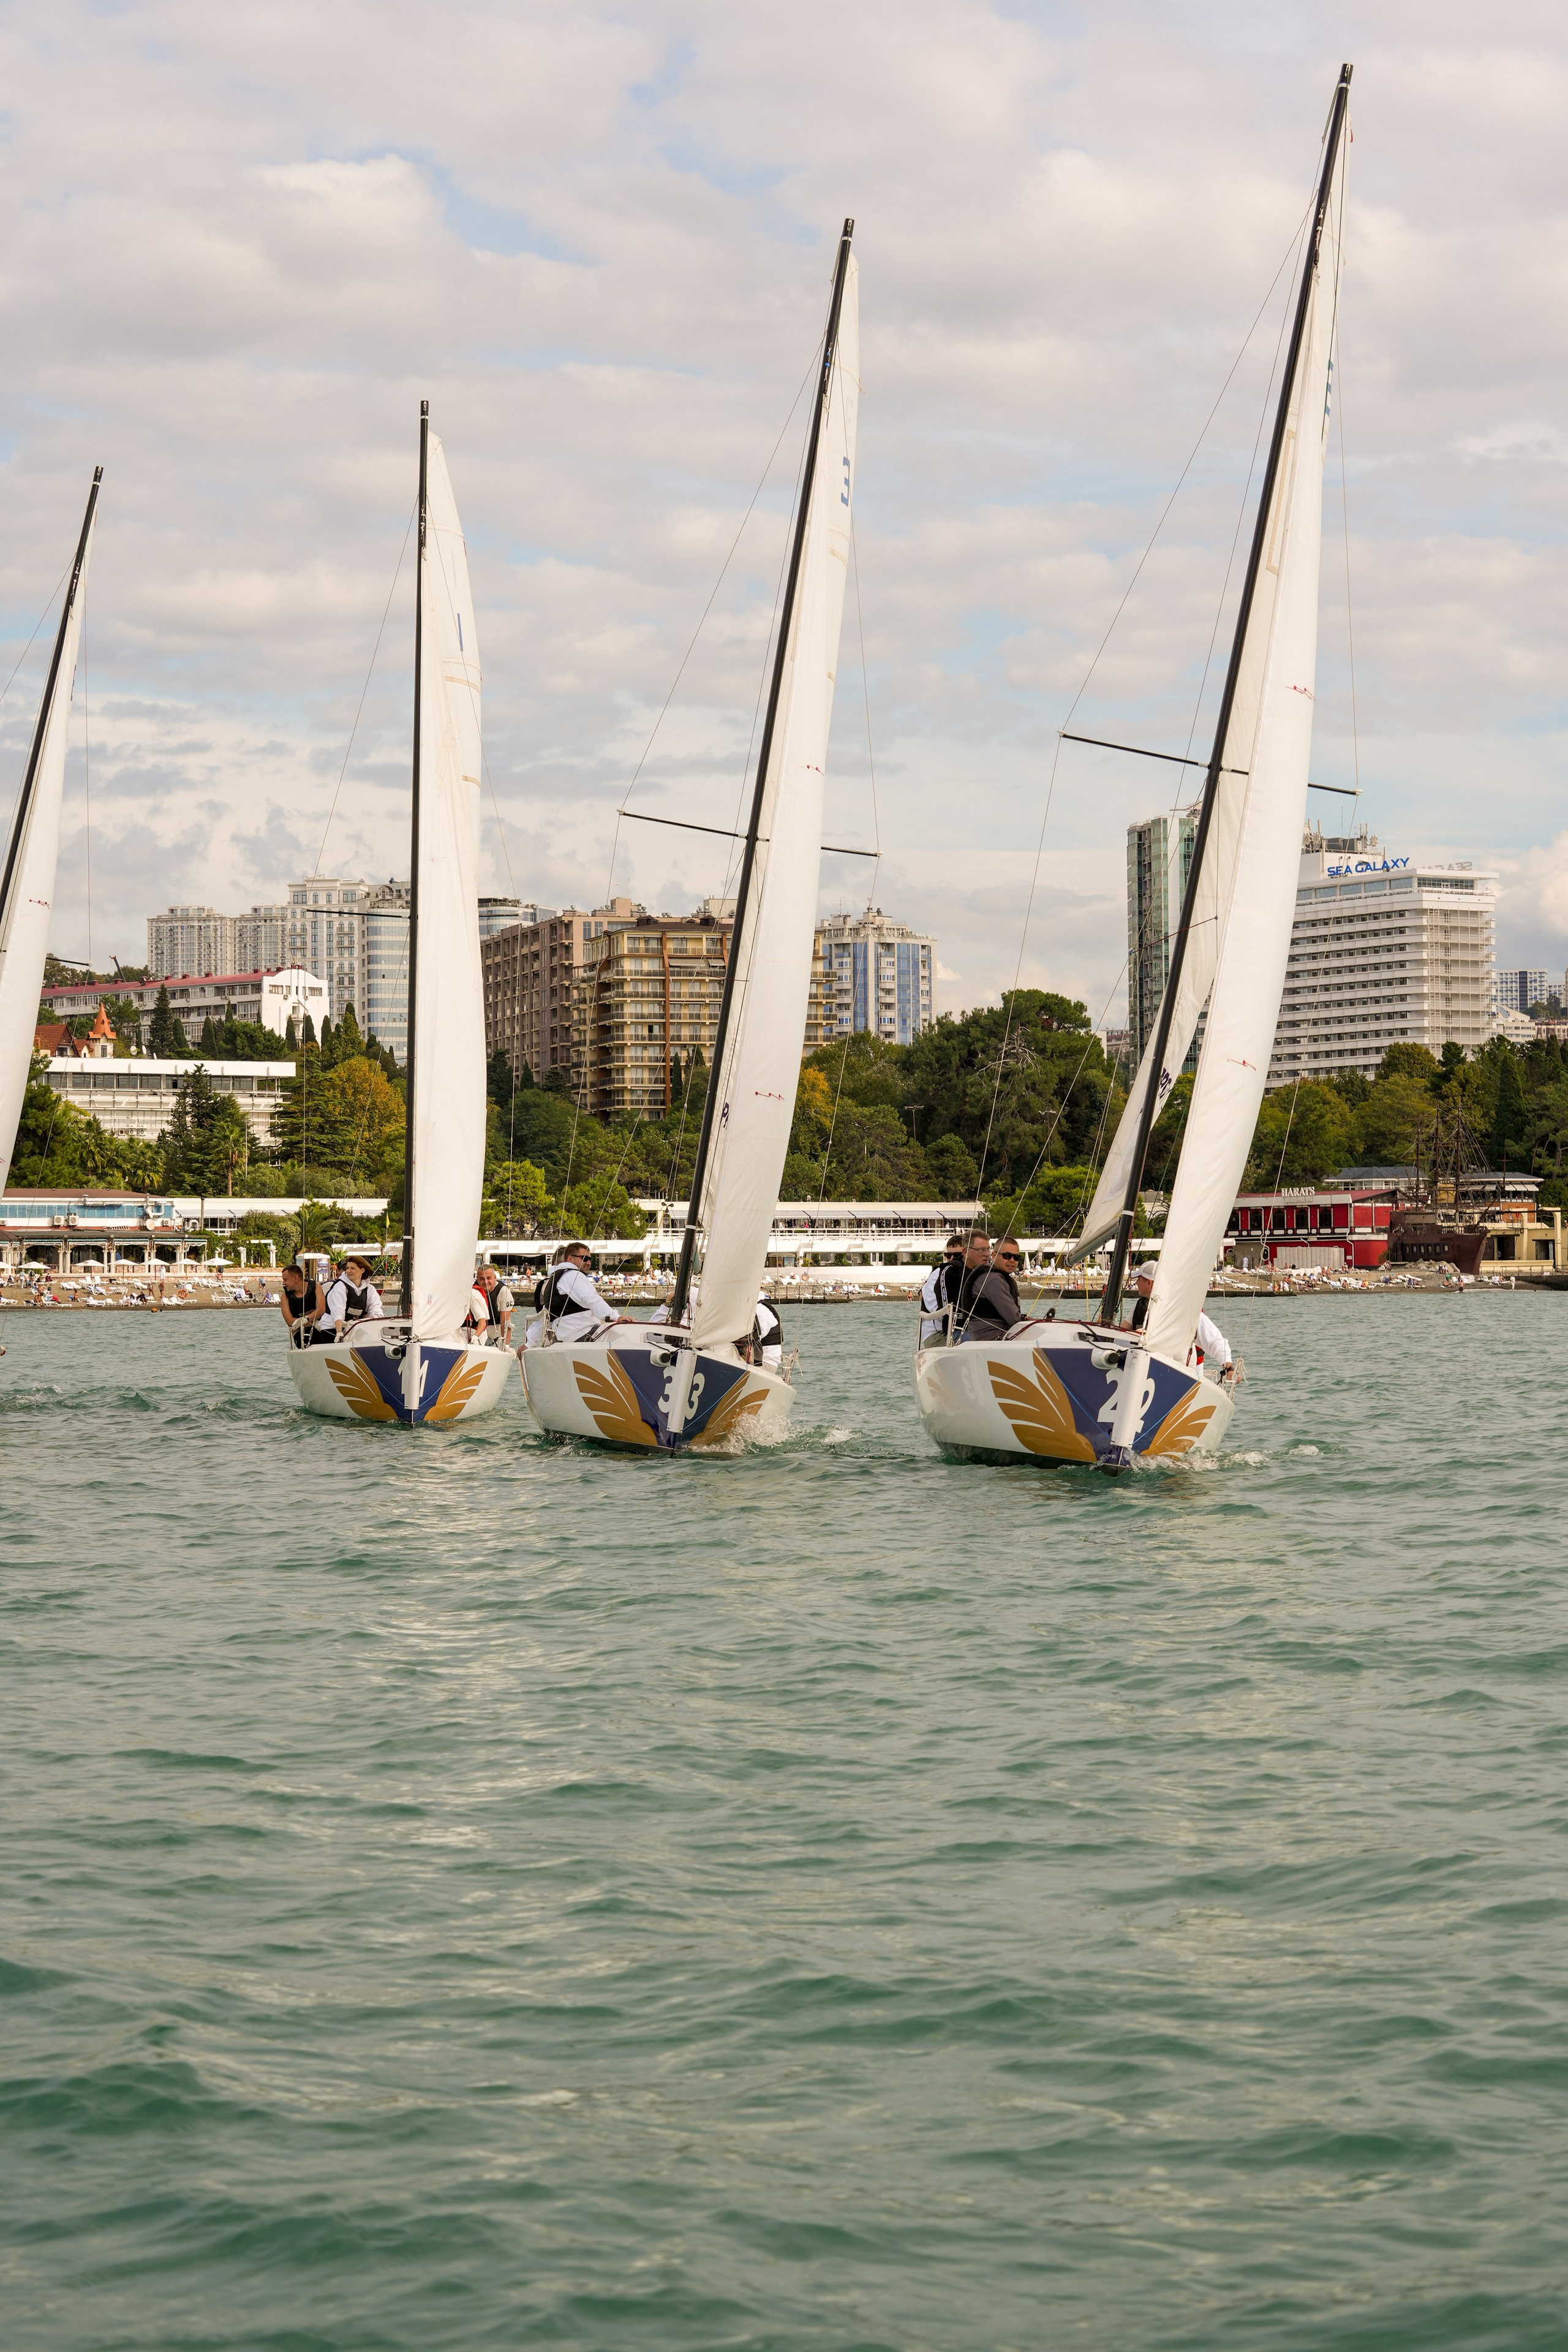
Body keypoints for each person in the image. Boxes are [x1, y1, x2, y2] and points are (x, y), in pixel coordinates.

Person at [533, 1242, 623, 1344]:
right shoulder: (573, 1275)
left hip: (569, 1339)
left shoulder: (554, 1280)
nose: (588, 1262)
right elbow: (591, 1298)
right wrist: (616, 1317)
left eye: (590, 1259)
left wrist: (529, 1343)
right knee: (626, 1337)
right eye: (584, 1258)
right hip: (586, 1334)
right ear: (571, 1259)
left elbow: (545, 1317)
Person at [955, 1230, 1022, 1343]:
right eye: (1007, 1256)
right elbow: (1014, 1319)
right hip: (993, 1341)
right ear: (994, 1255)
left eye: (1016, 1257)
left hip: (992, 1339)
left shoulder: (997, 1277)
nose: (1012, 1260)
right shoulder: (993, 1280)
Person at [319, 1253, 383, 1344]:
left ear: (362, 1270)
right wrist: (339, 1333)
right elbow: (338, 1311)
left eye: (352, 1268)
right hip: (332, 1329)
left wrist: (367, 1319)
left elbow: (377, 1312)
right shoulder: (340, 1287)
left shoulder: (370, 1289)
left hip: (355, 1330)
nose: (348, 1271)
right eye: (347, 1268)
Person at [918, 1234, 966, 1346]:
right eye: (948, 1255)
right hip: (937, 1334)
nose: (952, 1259)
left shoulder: (966, 1273)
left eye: (957, 1255)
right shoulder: (938, 1274)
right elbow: (935, 1307)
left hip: (957, 1330)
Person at [279, 1261, 323, 1346]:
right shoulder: (285, 1297)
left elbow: (321, 1309)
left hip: (320, 1328)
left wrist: (305, 1319)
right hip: (300, 1333)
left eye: (285, 1280)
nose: (283, 1283)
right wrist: (312, 1320)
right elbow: (291, 1322)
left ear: (296, 1278)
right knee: (315, 1339)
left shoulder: (316, 1287)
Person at [750, 1295, 783, 1369]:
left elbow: (752, 1339)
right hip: (761, 1360)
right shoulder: (757, 1308)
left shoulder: (760, 1310)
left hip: (765, 1362)